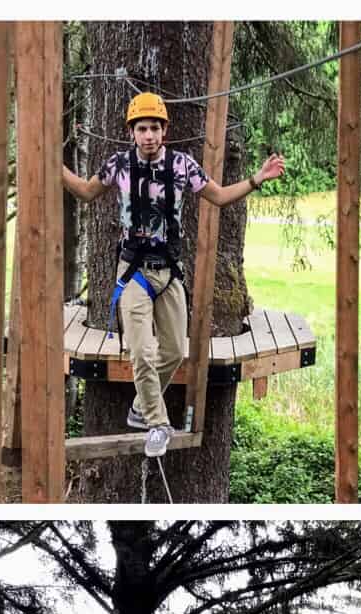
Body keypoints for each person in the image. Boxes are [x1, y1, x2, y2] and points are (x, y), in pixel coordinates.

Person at [62, 92, 286, 457]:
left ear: (164, 131)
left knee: (172, 349)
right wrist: (53, 165)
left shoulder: (183, 166)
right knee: (140, 350)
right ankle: (157, 423)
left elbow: (219, 196)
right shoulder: (119, 165)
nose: (148, 135)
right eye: (141, 128)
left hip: (168, 272)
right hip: (133, 271)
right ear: (131, 132)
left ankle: (140, 406)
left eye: (154, 128)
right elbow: (87, 191)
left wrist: (257, 179)